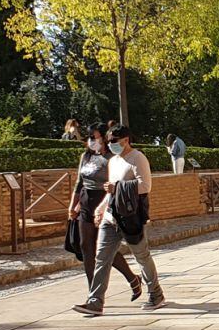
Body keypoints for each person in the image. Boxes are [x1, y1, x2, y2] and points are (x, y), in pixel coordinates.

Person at [72, 125, 166, 315]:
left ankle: (156, 293)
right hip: (110, 216)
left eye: (115, 140)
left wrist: (117, 187)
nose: (112, 144)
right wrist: (102, 206)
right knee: (102, 258)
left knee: (141, 256)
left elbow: (145, 186)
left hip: (130, 216)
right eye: (110, 140)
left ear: (126, 140)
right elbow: (110, 190)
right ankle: (95, 301)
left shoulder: (137, 158)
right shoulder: (113, 161)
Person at [67, 123, 142, 302]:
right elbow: (79, 182)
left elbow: (117, 181)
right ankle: (93, 295)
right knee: (87, 247)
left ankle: (132, 278)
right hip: (86, 202)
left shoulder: (112, 158)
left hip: (105, 200)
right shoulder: (85, 157)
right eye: (90, 138)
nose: (92, 141)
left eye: (95, 137)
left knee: (104, 248)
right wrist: (73, 204)